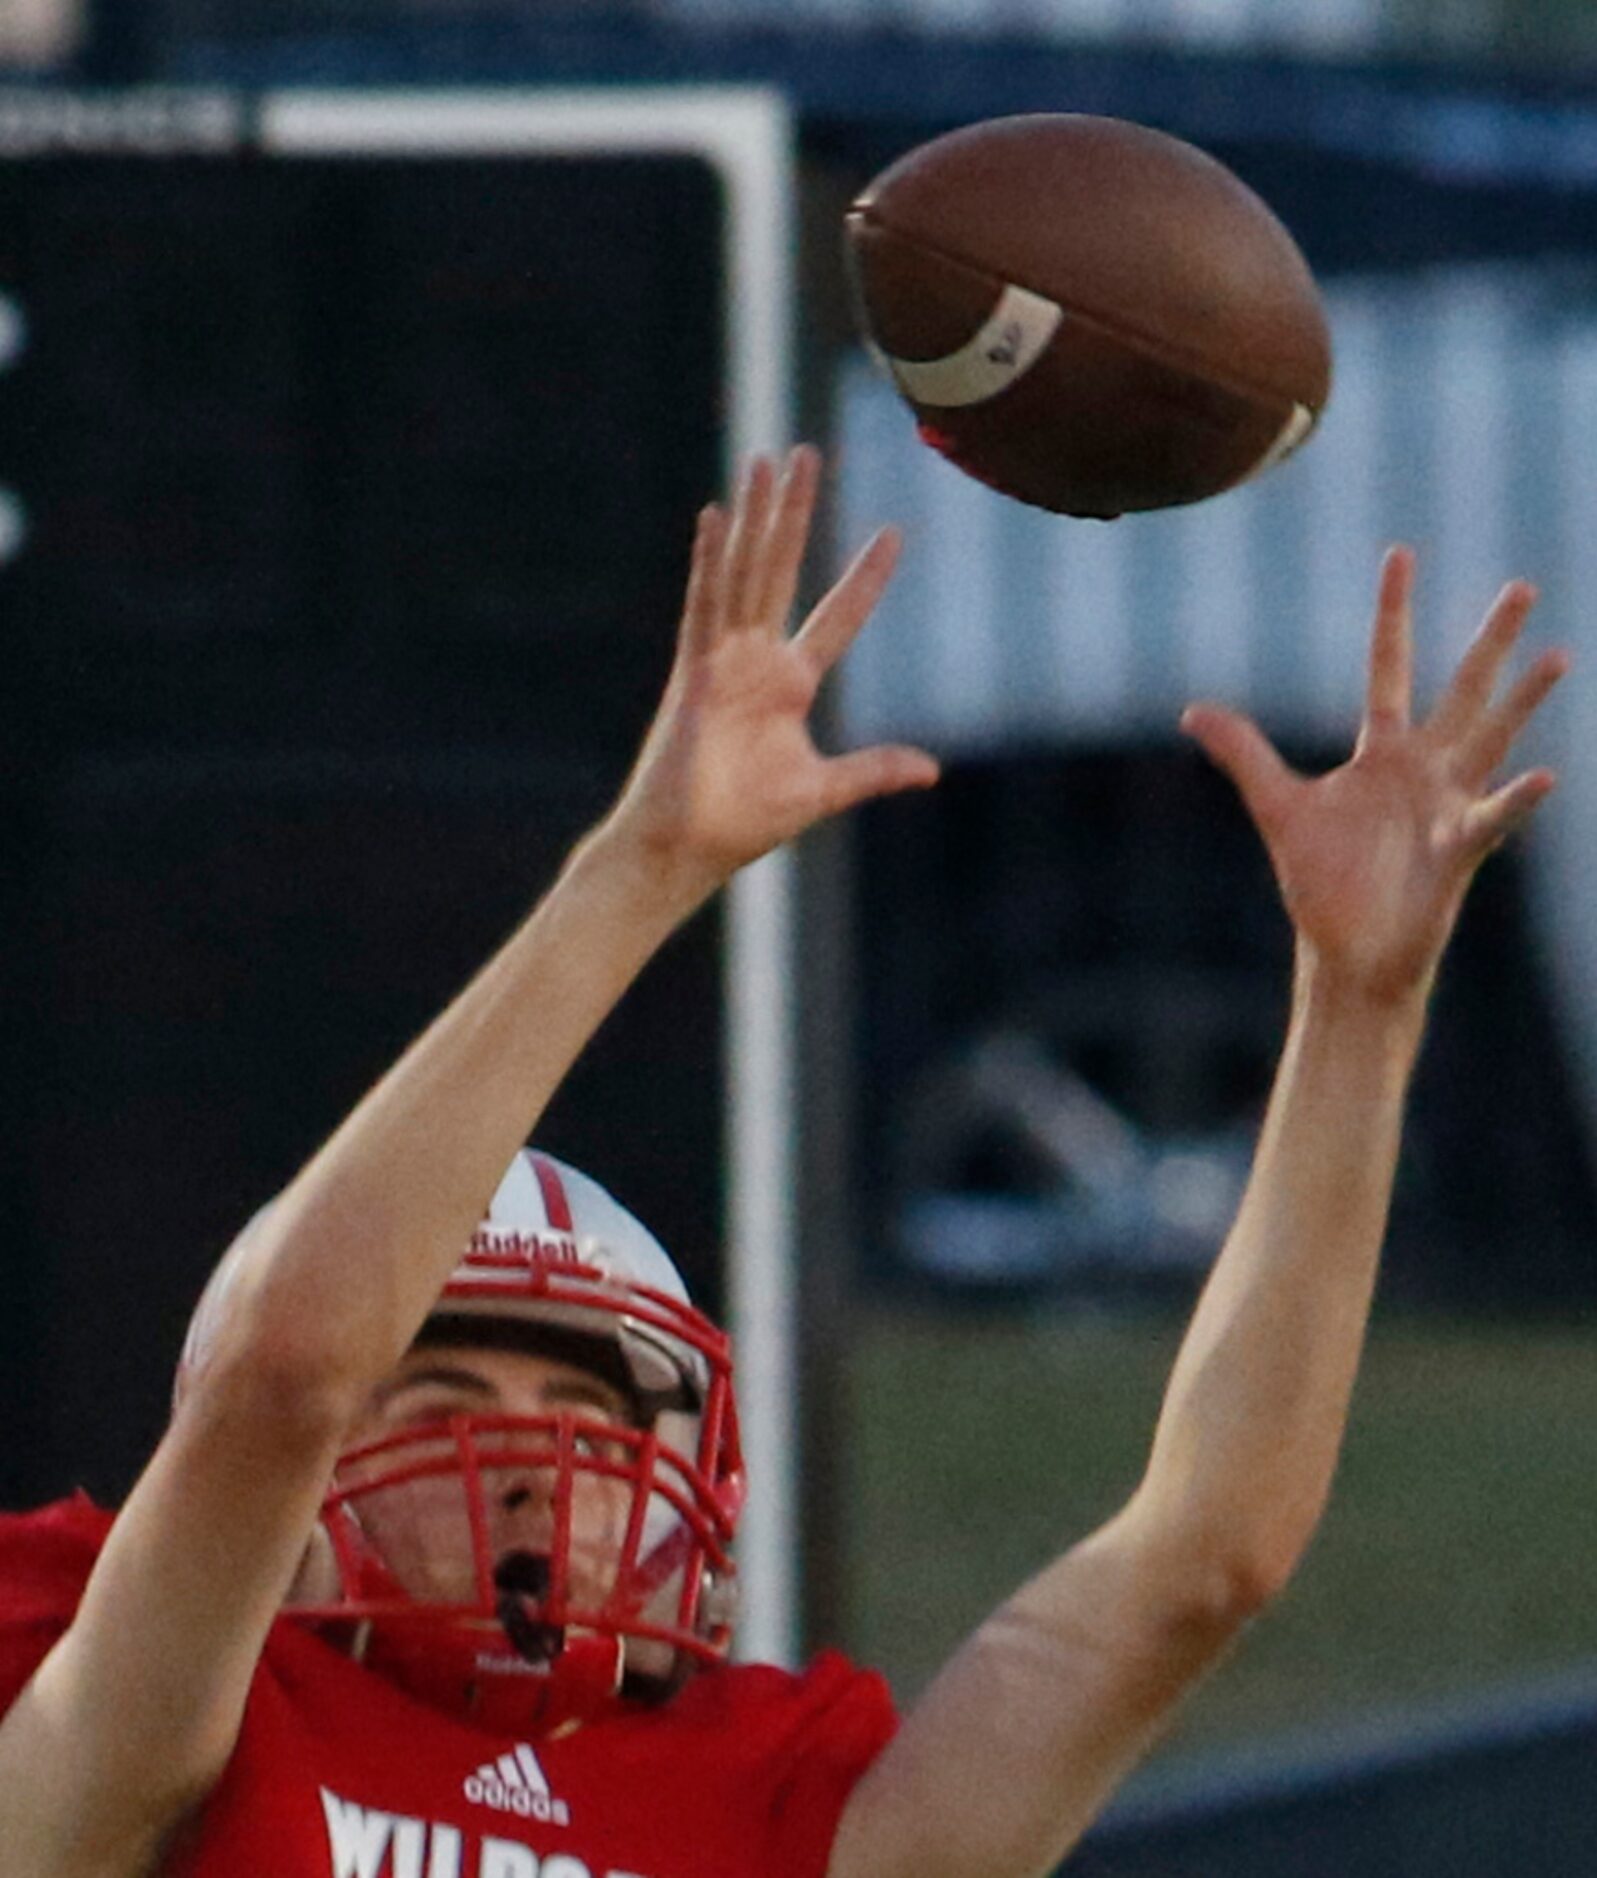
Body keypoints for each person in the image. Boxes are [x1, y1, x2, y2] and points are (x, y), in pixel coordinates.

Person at [0, 444, 1569, 1878]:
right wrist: (645, 865)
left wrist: (1357, 1007)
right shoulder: (159, 1719)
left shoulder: (766, 1797)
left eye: (579, 1405)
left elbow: (1201, 1563)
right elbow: (283, 1364)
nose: (534, 1455)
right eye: (445, 1397)